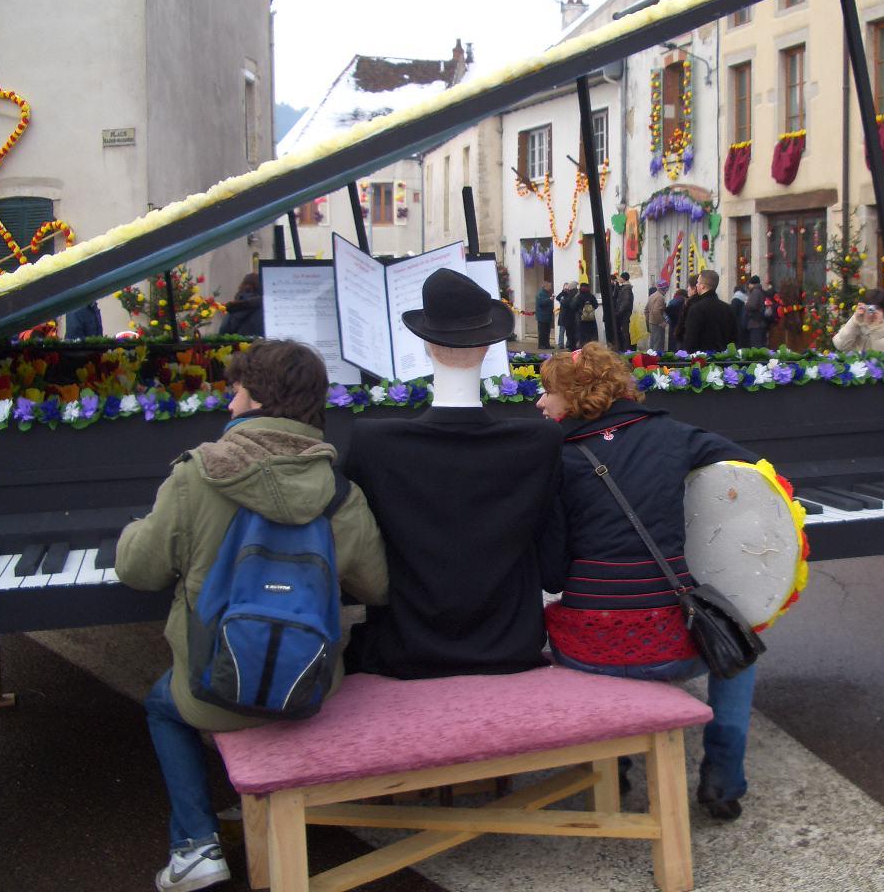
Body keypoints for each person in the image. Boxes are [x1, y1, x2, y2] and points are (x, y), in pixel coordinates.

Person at [117, 339, 388, 891]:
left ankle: (195, 846)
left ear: (258, 399)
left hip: (212, 691)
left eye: (236, 390)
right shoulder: (339, 490)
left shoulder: (198, 474)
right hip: (310, 685)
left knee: (163, 706)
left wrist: (132, 532)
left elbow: (138, 570)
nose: (230, 402)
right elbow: (376, 586)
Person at [536, 342, 760, 821]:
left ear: (575, 395)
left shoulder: (555, 457)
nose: (540, 402)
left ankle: (612, 766)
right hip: (671, 645)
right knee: (741, 648)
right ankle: (723, 780)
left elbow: (552, 574)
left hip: (589, 650)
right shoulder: (673, 434)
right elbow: (748, 472)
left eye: (548, 391)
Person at [343, 268, 564, 677]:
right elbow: (554, 566)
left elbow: (357, 559)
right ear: (488, 346)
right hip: (510, 644)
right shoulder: (539, 443)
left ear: (426, 345)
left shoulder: (374, 443)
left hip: (403, 646)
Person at [681, 269, 738, 353]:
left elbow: (690, 340)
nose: (696, 285)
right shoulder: (727, 308)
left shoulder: (696, 309)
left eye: (698, 282)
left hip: (702, 358)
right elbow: (734, 337)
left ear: (703, 286)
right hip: (724, 357)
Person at [832, 288, 884, 353]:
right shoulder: (857, 324)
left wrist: (876, 329)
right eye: (870, 308)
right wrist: (854, 322)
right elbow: (840, 345)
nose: (872, 312)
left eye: (877, 308)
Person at [744, 275, 768, 348]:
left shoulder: (755, 292)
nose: (748, 286)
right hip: (759, 322)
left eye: (749, 284)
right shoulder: (759, 291)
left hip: (756, 322)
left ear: (752, 284)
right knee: (760, 345)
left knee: (756, 346)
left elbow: (752, 306)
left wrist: (746, 304)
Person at [613, 272, 635, 352]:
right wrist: (616, 285)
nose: (619, 279)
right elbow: (615, 296)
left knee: (624, 331)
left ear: (623, 278)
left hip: (624, 314)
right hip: (623, 313)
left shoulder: (627, 289)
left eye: (620, 277)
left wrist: (619, 312)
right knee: (623, 331)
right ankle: (624, 348)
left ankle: (626, 349)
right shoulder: (624, 287)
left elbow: (625, 302)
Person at [646, 280, 669, 353]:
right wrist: (662, 322)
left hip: (651, 323)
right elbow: (656, 311)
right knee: (658, 346)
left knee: (652, 345)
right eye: (667, 288)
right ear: (665, 288)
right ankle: (657, 359)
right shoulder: (660, 297)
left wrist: (648, 320)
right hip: (657, 324)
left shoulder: (652, 295)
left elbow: (646, 310)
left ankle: (651, 358)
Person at [556, 281, 577, 350]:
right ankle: (561, 344)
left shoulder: (570, 295)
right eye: (565, 287)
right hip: (562, 316)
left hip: (568, 316)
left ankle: (568, 344)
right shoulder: (563, 294)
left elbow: (568, 303)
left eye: (567, 287)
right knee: (562, 331)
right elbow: (557, 298)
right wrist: (563, 292)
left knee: (569, 332)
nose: (567, 289)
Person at [665, 287, 687, 351]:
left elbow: (667, 311)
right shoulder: (682, 300)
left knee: (672, 344)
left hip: (672, 324)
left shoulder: (673, 300)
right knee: (678, 345)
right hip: (678, 324)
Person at [535, 280, 554, 350]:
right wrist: (549, 299)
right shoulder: (541, 293)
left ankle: (547, 345)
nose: (551, 287)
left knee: (547, 332)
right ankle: (541, 345)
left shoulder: (547, 293)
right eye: (550, 286)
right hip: (542, 317)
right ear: (546, 286)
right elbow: (541, 303)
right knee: (542, 332)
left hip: (547, 316)